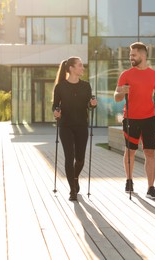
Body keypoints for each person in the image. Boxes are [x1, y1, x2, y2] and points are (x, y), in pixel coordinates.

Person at [114, 42, 155, 200]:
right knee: (130, 151)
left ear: (143, 55)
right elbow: (116, 96)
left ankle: (151, 187)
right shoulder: (126, 74)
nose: (130, 57)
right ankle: (129, 180)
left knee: (150, 152)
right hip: (130, 118)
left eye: (133, 55)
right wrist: (122, 92)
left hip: (149, 118)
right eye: (130, 55)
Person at [52, 56, 97, 201]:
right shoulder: (60, 87)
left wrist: (93, 104)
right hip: (65, 126)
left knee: (80, 159)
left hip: (81, 126)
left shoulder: (86, 86)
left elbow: (90, 104)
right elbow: (55, 105)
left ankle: (75, 178)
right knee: (69, 157)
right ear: (71, 68)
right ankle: (72, 189)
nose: (82, 68)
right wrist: (56, 112)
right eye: (80, 65)